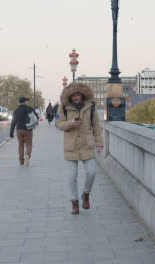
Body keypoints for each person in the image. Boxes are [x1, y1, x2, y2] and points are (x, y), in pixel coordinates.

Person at [56, 83, 103, 214]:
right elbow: (59, 125)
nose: (76, 97)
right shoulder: (64, 107)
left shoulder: (91, 106)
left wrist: (99, 143)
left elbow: (96, 126)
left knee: (91, 172)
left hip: (87, 144)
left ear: (82, 94)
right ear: (69, 96)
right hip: (71, 145)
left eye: (78, 94)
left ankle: (86, 194)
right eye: (73, 95)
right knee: (72, 177)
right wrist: (71, 123)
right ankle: (74, 203)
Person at [10, 97, 38, 167]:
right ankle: (27, 155)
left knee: (20, 145)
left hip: (19, 130)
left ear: (19, 103)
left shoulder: (16, 110)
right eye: (27, 101)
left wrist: (11, 133)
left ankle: (21, 161)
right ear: (25, 102)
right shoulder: (29, 108)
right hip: (28, 129)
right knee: (29, 144)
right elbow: (36, 116)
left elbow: (13, 122)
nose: (27, 102)